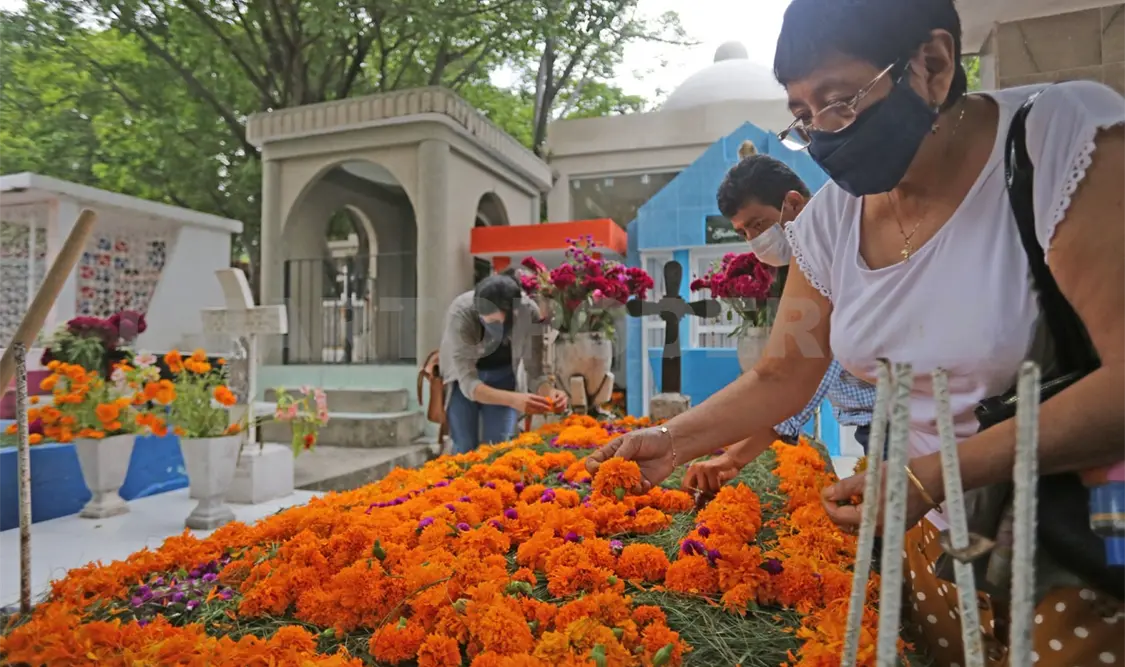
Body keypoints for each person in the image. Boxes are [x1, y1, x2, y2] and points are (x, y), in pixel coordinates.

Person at [587, 0, 1125, 662]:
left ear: (932, 63)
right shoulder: (830, 222)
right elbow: (783, 374)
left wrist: (934, 475)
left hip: (1073, 544)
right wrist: (672, 442)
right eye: (803, 115)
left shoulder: (1057, 141)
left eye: (839, 101)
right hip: (929, 537)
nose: (822, 132)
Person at [685, 154, 878, 494]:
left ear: (793, 203)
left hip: (904, 422)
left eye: (758, 224)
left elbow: (797, 379)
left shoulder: (841, 247)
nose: (754, 239)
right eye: (744, 232)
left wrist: (728, 457)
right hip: (877, 425)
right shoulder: (808, 261)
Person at [440, 270, 568, 454]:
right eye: (486, 321)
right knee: (464, 446)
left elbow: (535, 371)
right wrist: (514, 399)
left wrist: (551, 393)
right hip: (462, 381)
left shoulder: (528, 313)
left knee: (500, 446)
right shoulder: (461, 312)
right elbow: (468, 383)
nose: (491, 328)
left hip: (503, 376)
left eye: (496, 322)